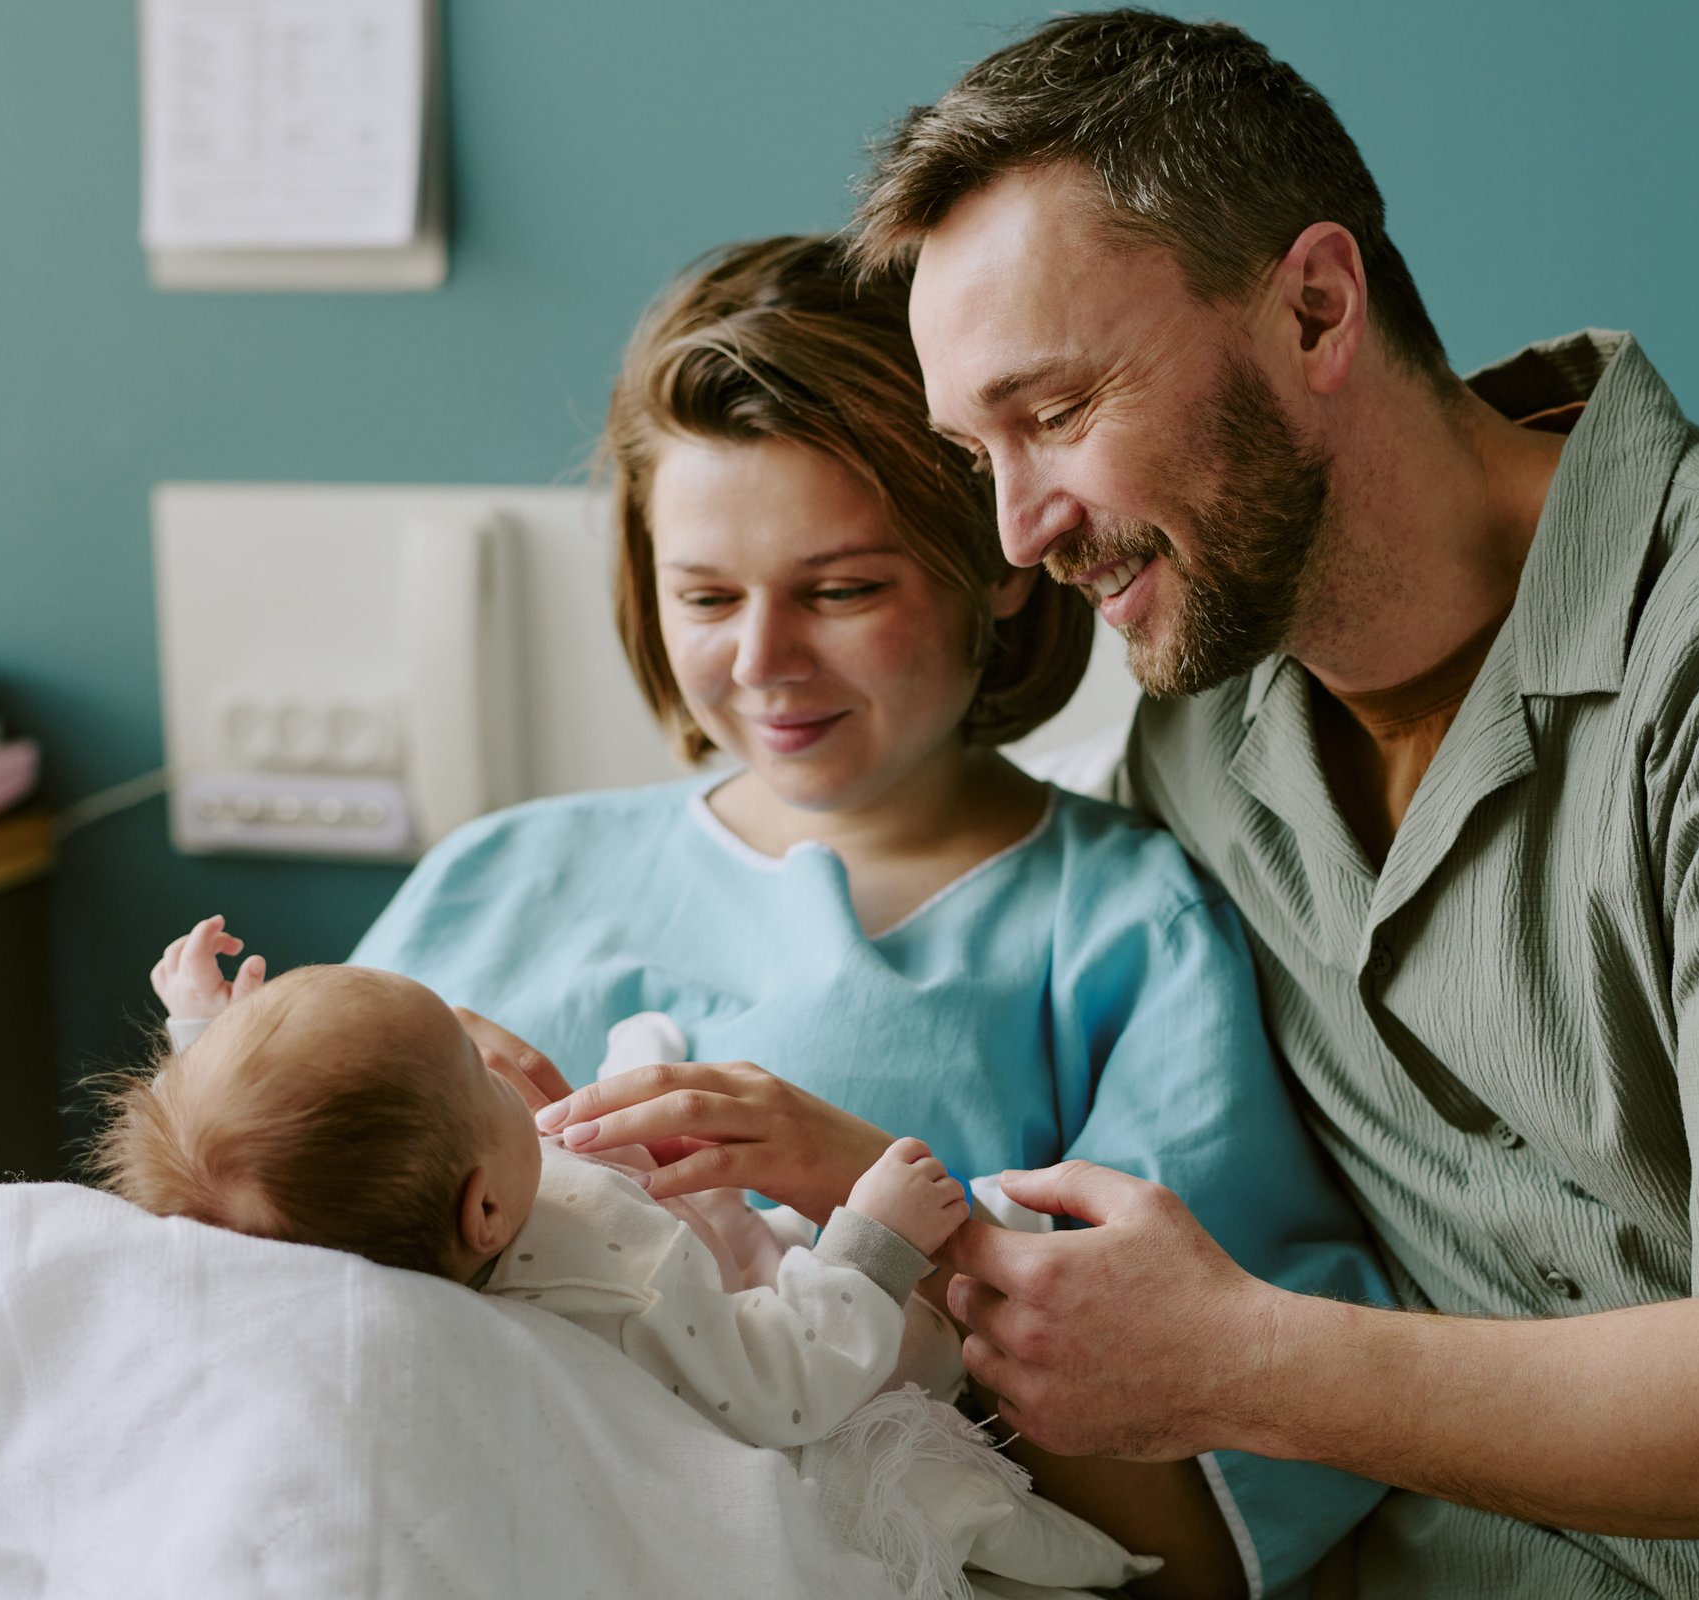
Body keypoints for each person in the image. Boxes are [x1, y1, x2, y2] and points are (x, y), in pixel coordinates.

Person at [828, 10, 1699, 1599]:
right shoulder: (1202, 740)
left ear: (1313, 307)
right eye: (978, 452)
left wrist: (1242, 1364)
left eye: (1060, 412)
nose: (1019, 533)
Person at [346, 234, 1391, 1599]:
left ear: (1000, 561)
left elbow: (1200, 1541)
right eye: (707, 596)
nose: (764, 664)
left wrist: (883, 1215)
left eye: (843, 590)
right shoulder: (495, 882)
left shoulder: (1120, 930)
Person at [98, 919, 1162, 1600]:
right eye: (477, 1073)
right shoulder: (618, 1283)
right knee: (950, 1459)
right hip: (803, 1358)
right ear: (484, 1207)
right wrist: (874, 1235)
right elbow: (784, 1382)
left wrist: (205, 1032)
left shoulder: (327, 1235)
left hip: (637, 1226)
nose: (497, 1054)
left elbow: (252, 1162)